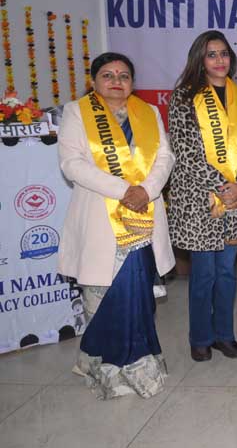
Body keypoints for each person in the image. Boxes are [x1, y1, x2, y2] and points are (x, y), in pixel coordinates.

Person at [58, 52, 175, 399]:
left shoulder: (148, 112)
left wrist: (147, 190)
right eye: (107, 75)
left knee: (139, 297)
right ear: (93, 81)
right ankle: (107, 371)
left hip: (144, 215)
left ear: (132, 83)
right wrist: (124, 190)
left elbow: (165, 157)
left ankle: (141, 366)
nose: (116, 81)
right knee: (103, 295)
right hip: (100, 219)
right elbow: (72, 164)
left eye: (124, 75)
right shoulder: (76, 112)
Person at [168, 30, 237, 362]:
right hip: (199, 200)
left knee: (228, 272)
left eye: (224, 53)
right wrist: (222, 186)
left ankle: (224, 335)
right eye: (212, 54)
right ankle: (200, 337)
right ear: (200, 60)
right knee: (204, 273)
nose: (220, 60)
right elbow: (186, 153)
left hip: (235, 200)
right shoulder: (184, 97)